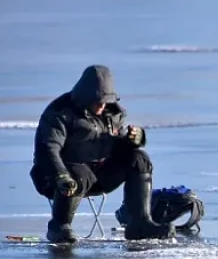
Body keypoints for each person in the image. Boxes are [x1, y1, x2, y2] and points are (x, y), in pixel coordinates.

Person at [30, 65, 176, 244]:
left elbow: (118, 145)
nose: (101, 105)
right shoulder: (60, 113)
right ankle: (59, 225)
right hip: (57, 178)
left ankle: (139, 223)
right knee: (79, 173)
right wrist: (60, 174)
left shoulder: (112, 114)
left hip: (99, 175)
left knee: (139, 158)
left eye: (105, 100)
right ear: (85, 96)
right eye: (97, 100)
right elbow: (47, 148)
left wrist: (135, 139)